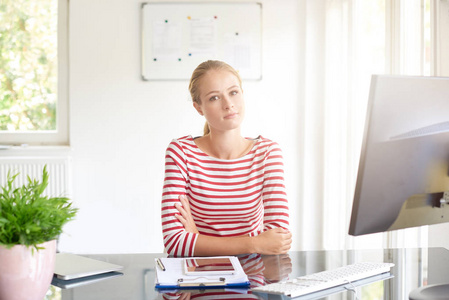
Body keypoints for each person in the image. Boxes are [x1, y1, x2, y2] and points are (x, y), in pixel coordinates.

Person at [161, 60, 291, 257]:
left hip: (251, 277)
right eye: (214, 98)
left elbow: (278, 240)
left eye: (233, 92)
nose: (228, 104)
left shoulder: (267, 153)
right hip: (196, 278)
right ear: (199, 108)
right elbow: (174, 241)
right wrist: (255, 243)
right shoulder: (181, 152)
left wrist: (197, 239)